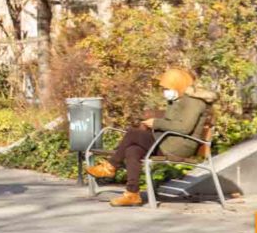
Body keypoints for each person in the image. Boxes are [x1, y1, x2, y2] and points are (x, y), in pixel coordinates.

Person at [85, 68, 217, 207]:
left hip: (180, 146)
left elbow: (184, 128)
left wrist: (156, 122)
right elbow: (172, 123)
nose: (164, 91)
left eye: (167, 88)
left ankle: (111, 166)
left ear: (178, 84)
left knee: (133, 133)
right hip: (167, 141)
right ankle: (132, 194)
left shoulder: (194, 102)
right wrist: (153, 125)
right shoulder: (177, 100)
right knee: (132, 149)